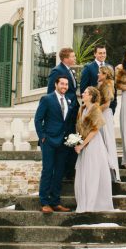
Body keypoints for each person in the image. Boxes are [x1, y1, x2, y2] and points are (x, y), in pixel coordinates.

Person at [34, 76, 75, 213]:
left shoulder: (69, 100)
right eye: (62, 84)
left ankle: (55, 201)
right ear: (56, 84)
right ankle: (44, 202)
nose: (64, 86)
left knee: (59, 172)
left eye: (66, 84)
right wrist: (42, 137)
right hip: (49, 141)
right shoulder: (47, 99)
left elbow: (67, 122)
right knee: (47, 171)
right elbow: (38, 119)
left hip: (63, 142)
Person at [74, 86, 114, 213]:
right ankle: (84, 202)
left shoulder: (95, 109)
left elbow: (95, 131)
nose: (83, 94)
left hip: (93, 145)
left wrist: (82, 145)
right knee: (84, 172)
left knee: (92, 172)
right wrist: (76, 141)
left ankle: (94, 203)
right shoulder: (82, 109)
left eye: (85, 92)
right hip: (84, 145)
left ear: (91, 96)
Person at [47, 47, 79, 179]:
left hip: (72, 112)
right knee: (65, 143)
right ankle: (65, 172)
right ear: (66, 58)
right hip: (64, 113)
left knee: (71, 141)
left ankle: (69, 171)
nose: (75, 58)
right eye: (73, 56)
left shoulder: (69, 70)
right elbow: (51, 92)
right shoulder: (57, 71)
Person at [98, 65, 121, 181]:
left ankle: (110, 171)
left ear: (106, 74)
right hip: (103, 114)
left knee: (107, 140)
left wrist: (93, 111)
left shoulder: (107, 85)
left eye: (100, 73)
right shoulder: (102, 84)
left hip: (105, 114)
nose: (98, 75)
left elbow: (106, 104)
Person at [80, 44, 117, 114]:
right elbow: (83, 88)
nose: (102, 55)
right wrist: (89, 105)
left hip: (108, 108)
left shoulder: (110, 67)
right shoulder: (88, 68)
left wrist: (113, 106)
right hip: (93, 108)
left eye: (104, 53)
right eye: (100, 53)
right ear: (95, 54)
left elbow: (113, 87)